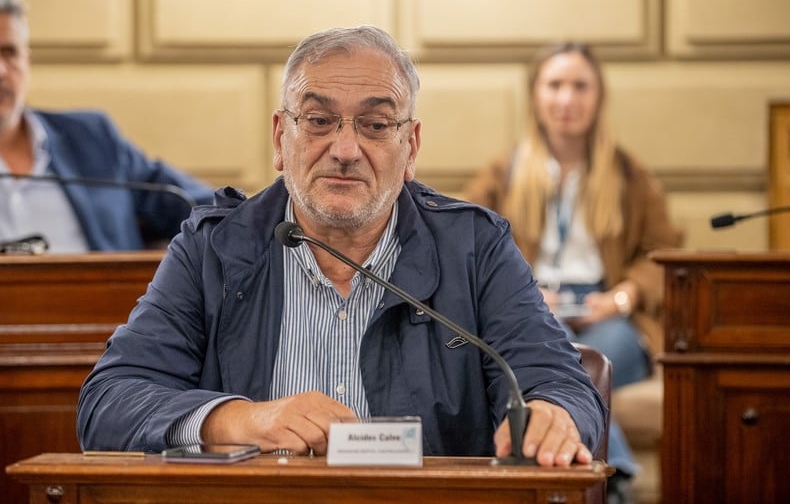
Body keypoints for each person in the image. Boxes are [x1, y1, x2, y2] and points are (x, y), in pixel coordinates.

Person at [77, 25, 606, 466]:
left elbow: (562, 383)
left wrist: (550, 414)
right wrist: (242, 419)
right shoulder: (212, 248)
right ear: (281, 137)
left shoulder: (474, 247)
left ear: (411, 145)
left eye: (375, 125)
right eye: (319, 121)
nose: (346, 149)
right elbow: (108, 403)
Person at [463, 42, 683, 498]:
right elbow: (469, 242)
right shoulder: (504, 173)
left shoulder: (627, 173)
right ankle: (613, 473)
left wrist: (622, 296)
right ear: (536, 96)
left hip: (610, 315)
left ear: (598, 96)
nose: (567, 99)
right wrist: (521, 292)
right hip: (536, 305)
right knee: (559, 345)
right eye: (555, 85)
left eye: (580, 86)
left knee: (582, 353)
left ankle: (604, 471)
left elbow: (663, 254)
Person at [0, 0, 215, 253]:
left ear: (27, 62)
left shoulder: (93, 138)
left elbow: (194, 204)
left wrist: (255, 217)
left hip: (110, 308)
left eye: (9, 52)